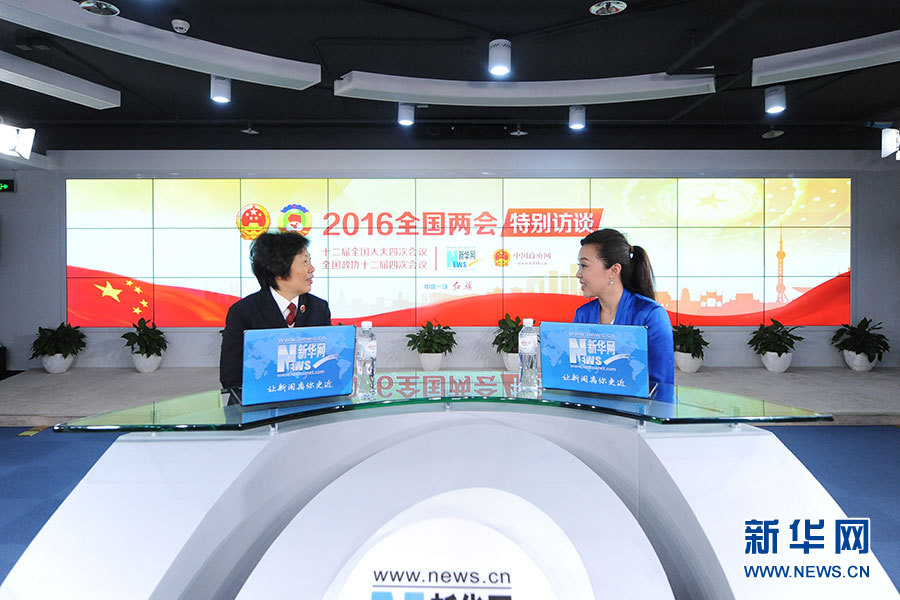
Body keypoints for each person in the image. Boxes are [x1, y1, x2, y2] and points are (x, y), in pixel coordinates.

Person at [219, 232, 331, 389]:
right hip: (261, 400)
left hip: (308, 397)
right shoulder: (243, 312)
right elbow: (231, 377)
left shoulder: (319, 308)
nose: (312, 268)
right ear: (278, 270)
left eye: (309, 260)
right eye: (305, 261)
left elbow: (327, 367)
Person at [574, 228, 674, 385]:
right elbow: (577, 373)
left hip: (638, 401)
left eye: (584, 265)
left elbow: (661, 384)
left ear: (614, 270)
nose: (578, 274)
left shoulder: (651, 315)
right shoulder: (583, 315)